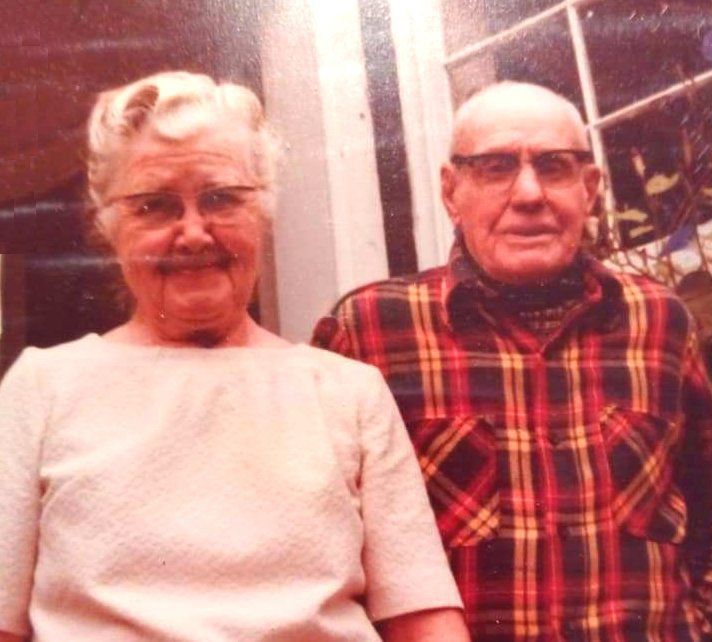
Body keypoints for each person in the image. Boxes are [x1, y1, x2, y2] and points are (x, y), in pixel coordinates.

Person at [0, 71, 470, 642]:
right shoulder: (42, 388)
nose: (194, 233)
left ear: (264, 211)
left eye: (221, 198)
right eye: (154, 206)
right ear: (110, 224)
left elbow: (423, 618)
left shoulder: (348, 393)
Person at [313, 81, 712, 640]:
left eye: (554, 166)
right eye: (496, 167)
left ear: (590, 188)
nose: (528, 193)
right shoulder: (370, 333)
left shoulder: (660, 322)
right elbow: (322, 561)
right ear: (451, 192)